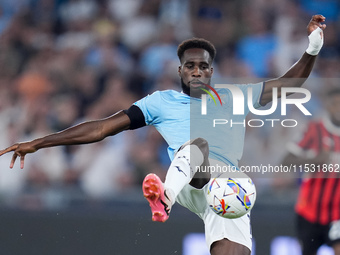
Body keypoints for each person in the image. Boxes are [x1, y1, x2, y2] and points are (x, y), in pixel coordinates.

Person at [0, 15, 326, 255]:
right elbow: (101, 128)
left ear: (211, 70)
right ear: (180, 70)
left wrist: (312, 47)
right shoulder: (161, 101)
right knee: (197, 145)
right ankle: (164, 199)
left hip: (229, 187)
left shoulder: (233, 96)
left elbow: (288, 84)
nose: (197, 71)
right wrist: (40, 142)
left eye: (203, 66)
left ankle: (169, 198)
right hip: (187, 180)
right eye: (190, 66)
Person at [281, 88, 340, 255]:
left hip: (337, 214)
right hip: (310, 211)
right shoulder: (314, 130)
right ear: (327, 106)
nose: (338, 108)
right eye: (334, 104)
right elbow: (286, 162)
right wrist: (315, 159)